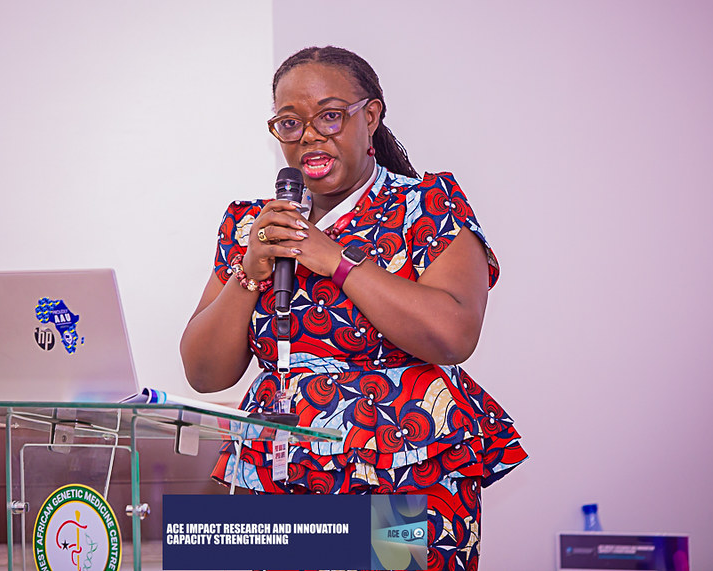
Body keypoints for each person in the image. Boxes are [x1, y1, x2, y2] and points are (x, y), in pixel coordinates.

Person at [179, 46, 526, 570]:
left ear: (371, 117)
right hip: (267, 467)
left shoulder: (428, 204)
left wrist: (334, 258)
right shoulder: (251, 223)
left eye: (330, 115)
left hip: (399, 464)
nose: (310, 135)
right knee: (187, 547)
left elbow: (454, 335)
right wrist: (249, 270)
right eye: (290, 123)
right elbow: (204, 374)